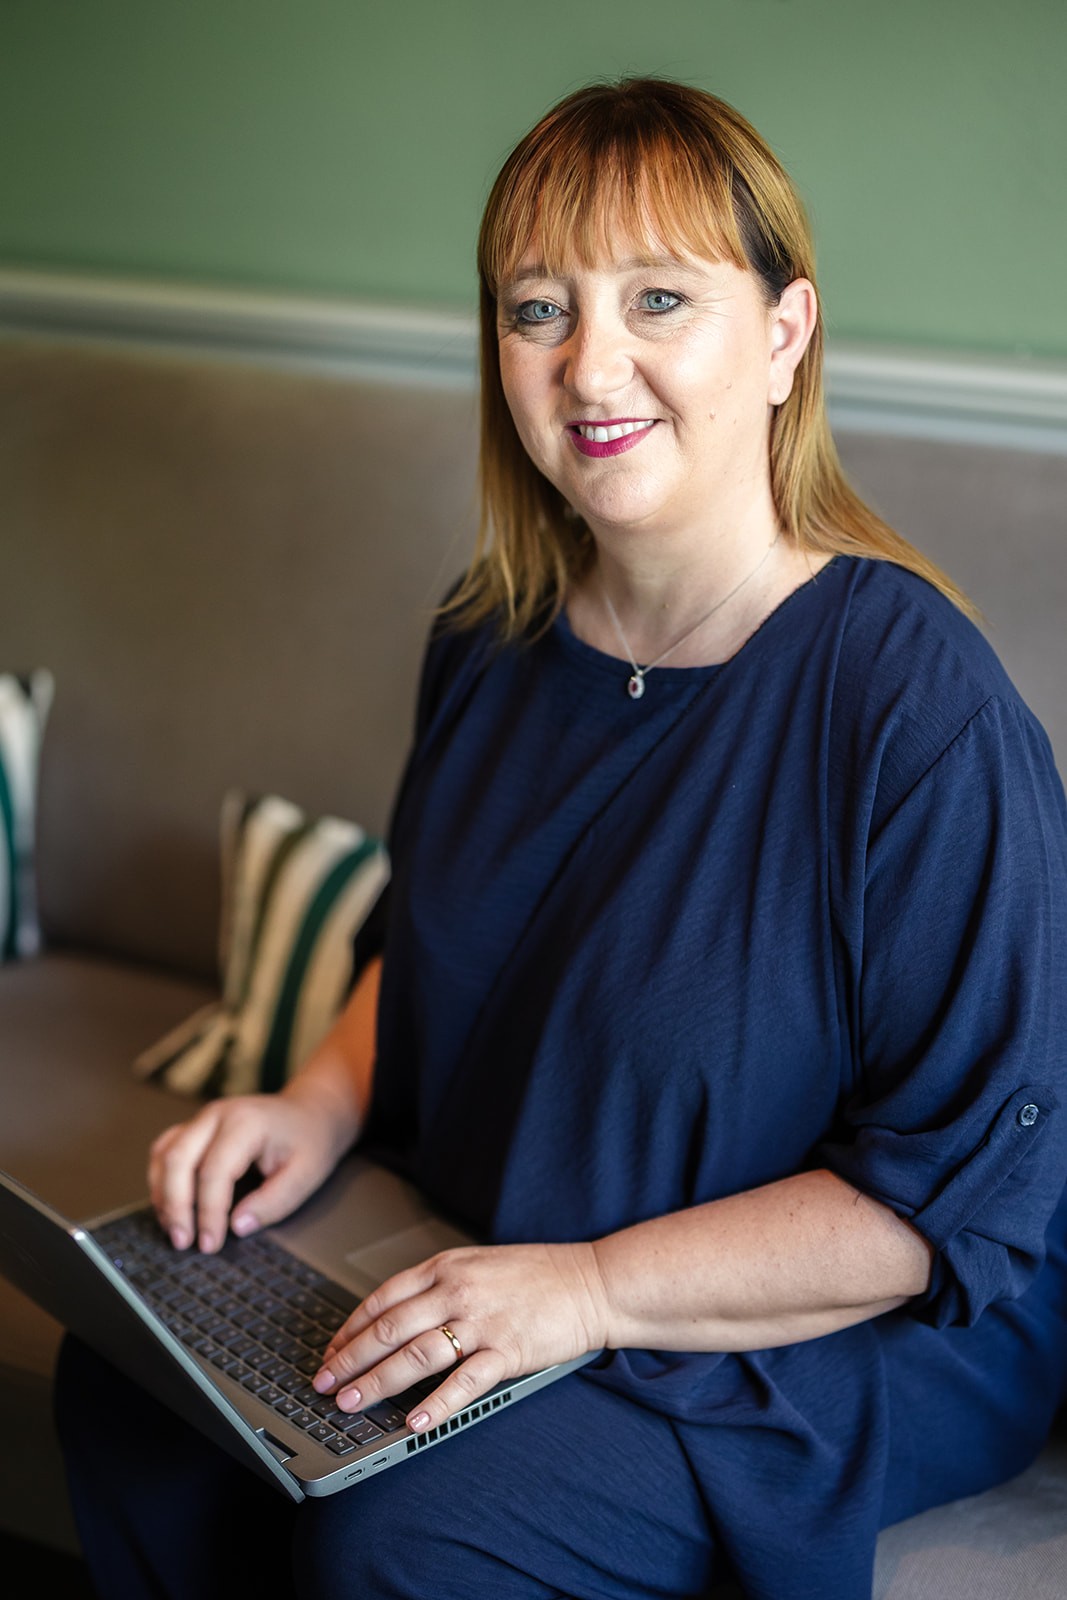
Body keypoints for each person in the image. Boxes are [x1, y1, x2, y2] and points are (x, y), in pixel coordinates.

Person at [56, 78, 1067, 1600]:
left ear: (785, 333)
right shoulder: (488, 642)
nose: (593, 364)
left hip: (831, 1326)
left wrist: (591, 1291)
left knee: (402, 1535)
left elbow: (953, 1202)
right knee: (133, 1393)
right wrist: (316, 1105)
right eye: (540, 309)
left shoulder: (911, 702)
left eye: (660, 297)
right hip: (512, 1242)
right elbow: (433, 946)